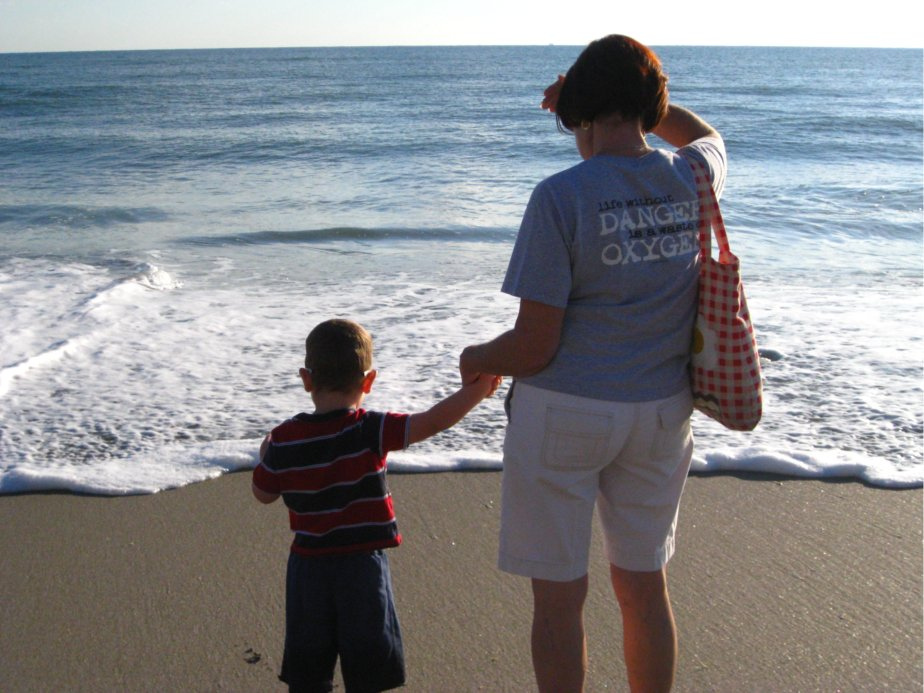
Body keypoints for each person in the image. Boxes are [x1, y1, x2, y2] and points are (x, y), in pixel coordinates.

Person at [459, 35, 726, 693]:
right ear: (648, 106)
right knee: (643, 586)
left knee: (559, 599)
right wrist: (641, 98)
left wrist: (477, 357)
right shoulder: (690, 176)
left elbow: (535, 345)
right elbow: (706, 134)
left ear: (580, 114)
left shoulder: (561, 196)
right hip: (660, 415)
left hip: (566, 413)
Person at [253, 318, 500, 693]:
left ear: (306, 379)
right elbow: (432, 422)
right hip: (361, 568)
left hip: (308, 569)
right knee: (369, 670)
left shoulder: (285, 439)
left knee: (309, 671)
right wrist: (477, 390)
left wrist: (266, 452)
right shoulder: (369, 428)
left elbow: (263, 494)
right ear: (368, 381)